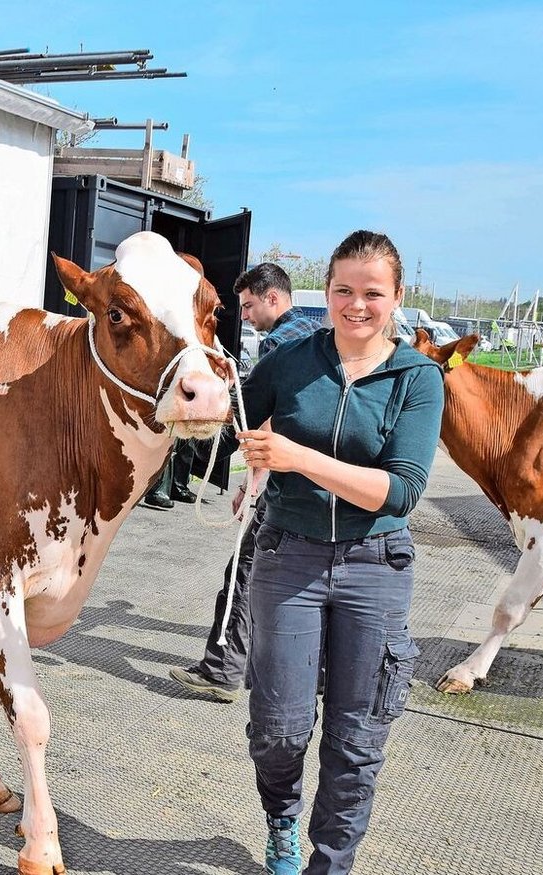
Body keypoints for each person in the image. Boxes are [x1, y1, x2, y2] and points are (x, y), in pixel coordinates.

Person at [233, 231, 444, 874]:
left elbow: (400, 491)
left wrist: (295, 457)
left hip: (374, 565)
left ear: (397, 298)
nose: (356, 305)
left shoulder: (418, 378)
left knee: (357, 740)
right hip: (288, 555)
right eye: (343, 290)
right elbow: (230, 411)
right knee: (280, 728)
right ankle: (281, 820)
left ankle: (331, 864)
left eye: (372, 293)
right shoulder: (291, 362)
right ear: (323, 294)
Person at [169, 262, 318, 701]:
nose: (247, 317)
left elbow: (267, 421)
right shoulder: (317, 337)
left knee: (244, 573)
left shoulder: (279, 345)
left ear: (274, 298)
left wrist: (252, 483)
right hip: (313, 479)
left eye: (250, 306)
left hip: (284, 482)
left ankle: (221, 669)